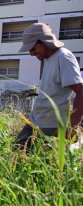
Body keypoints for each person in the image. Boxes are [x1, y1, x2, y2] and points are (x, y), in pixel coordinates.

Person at [14, 22, 83, 150]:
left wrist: (71, 128)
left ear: (44, 41)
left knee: (40, 161)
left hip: (52, 125)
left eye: (33, 48)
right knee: (16, 151)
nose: (31, 54)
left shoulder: (64, 57)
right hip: (37, 120)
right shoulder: (48, 59)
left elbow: (80, 92)